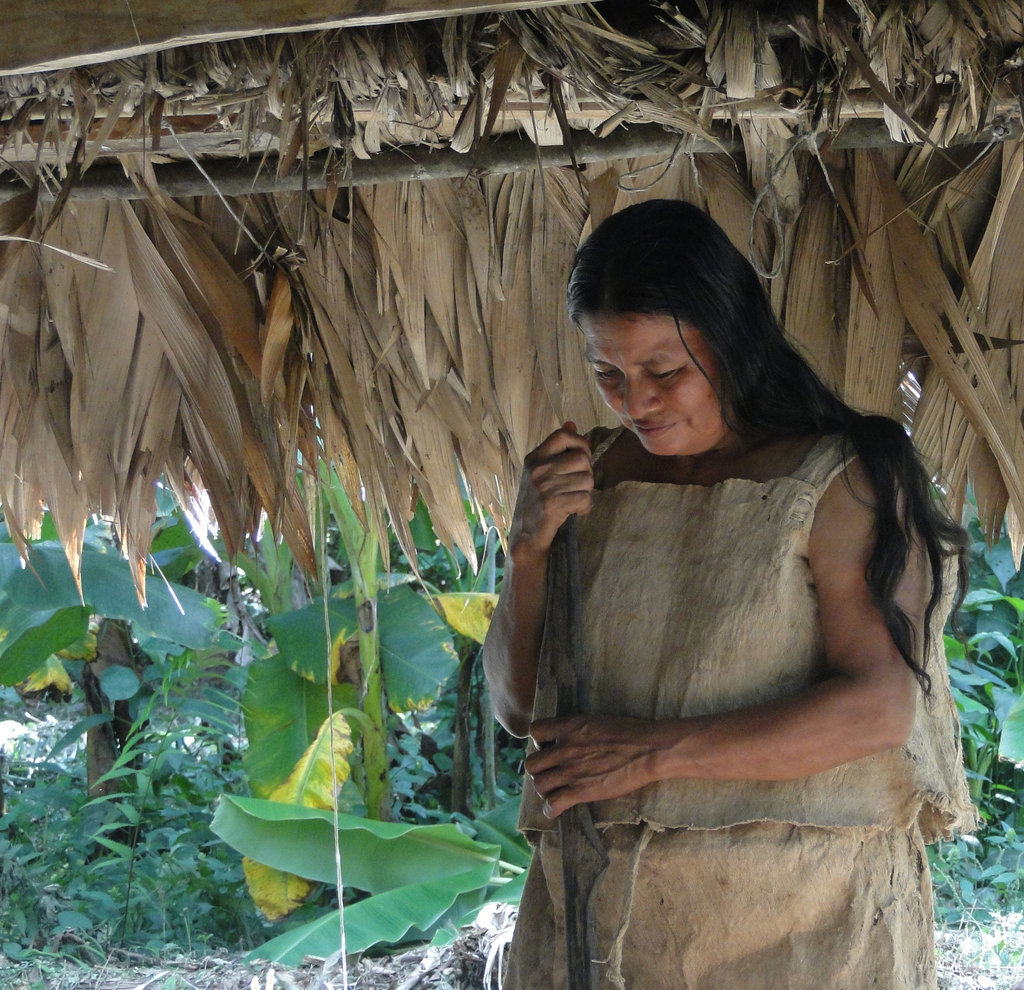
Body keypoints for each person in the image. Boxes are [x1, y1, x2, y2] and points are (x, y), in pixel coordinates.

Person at [482, 199, 976, 989]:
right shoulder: (585, 482)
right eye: (607, 374)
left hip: (804, 925)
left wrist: (651, 752)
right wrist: (529, 549)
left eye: (665, 371)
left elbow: (879, 709)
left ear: (733, 340)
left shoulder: (836, 479)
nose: (634, 401)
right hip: (600, 922)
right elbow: (517, 709)